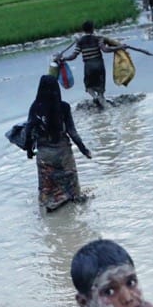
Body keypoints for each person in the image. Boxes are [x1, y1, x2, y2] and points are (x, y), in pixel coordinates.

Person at [23, 75, 92, 212]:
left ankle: (48, 205)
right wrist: (84, 150)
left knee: (46, 184)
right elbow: (72, 132)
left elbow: (29, 129)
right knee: (70, 182)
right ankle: (73, 198)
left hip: (44, 153)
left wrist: (29, 150)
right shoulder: (64, 107)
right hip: (63, 152)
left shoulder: (35, 107)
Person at [57, 20, 125, 108]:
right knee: (100, 85)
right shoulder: (98, 39)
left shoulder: (80, 41)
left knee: (88, 85)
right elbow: (105, 50)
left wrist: (63, 58)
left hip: (88, 66)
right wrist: (120, 47)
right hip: (99, 64)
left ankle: (94, 97)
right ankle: (101, 97)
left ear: (83, 30)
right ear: (92, 29)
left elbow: (73, 56)